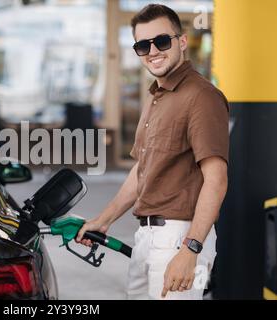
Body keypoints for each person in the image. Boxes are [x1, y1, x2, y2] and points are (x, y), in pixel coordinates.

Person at [76, 4, 229, 300]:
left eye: (161, 41)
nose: (153, 51)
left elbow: (216, 179)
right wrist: (104, 219)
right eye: (143, 45)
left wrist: (190, 249)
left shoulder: (202, 97)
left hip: (179, 237)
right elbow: (142, 170)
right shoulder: (156, 97)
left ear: (181, 42)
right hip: (147, 235)